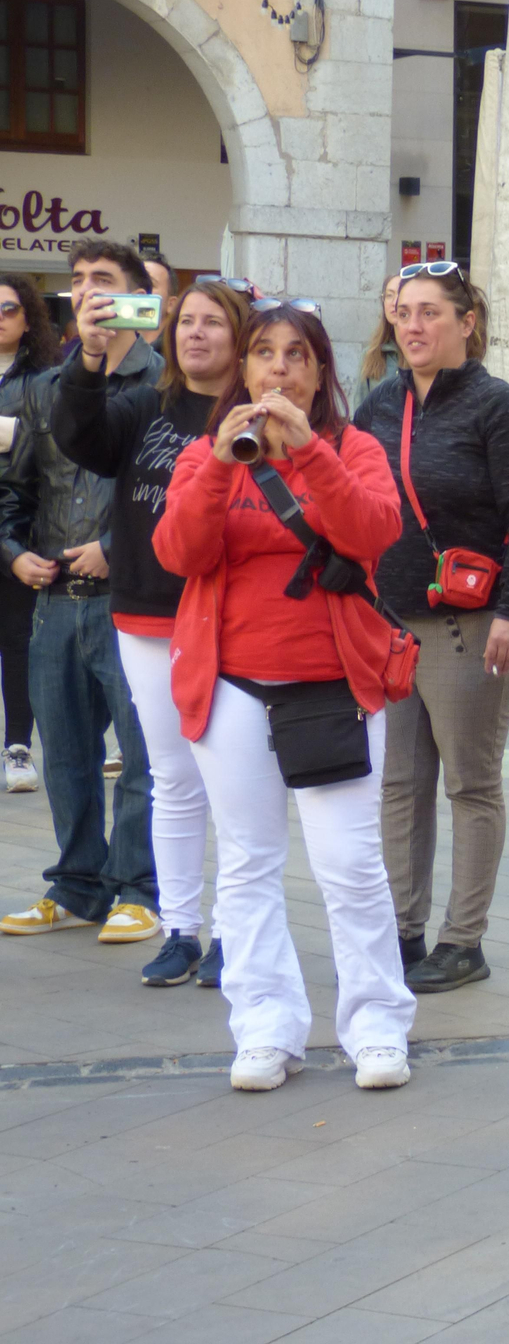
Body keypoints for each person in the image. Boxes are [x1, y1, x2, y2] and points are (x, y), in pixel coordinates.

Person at [153, 302, 417, 1092]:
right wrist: (221, 466)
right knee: (247, 864)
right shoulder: (207, 451)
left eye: (296, 355)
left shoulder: (354, 445)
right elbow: (179, 551)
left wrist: (311, 457)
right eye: (264, 354)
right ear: (243, 371)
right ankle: (264, 1026)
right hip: (231, 685)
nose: (278, 369)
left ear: (319, 372)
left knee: (350, 866)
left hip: (330, 686)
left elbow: (374, 533)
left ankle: (376, 1028)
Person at [354, 262, 509, 992]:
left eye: (430, 313)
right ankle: (403, 930)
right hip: (391, 624)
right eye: (404, 313)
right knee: (400, 783)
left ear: (466, 323)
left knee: (470, 784)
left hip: (471, 625)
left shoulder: (500, 408)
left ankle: (463, 940)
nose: (414, 326)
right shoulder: (381, 404)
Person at [53, 277, 249, 989]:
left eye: (212, 324)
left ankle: (235, 931)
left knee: (232, 784)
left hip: (230, 617)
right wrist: (89, 358)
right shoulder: (146, 405)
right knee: (171, 777)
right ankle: (180, 930)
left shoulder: (253, 413)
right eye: (185, 322)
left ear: (239, 337)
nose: (195, 334)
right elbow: (82, 439)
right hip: (146, 614)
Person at [0, 242, 161, 945]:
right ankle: (75, 884)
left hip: (133, 600)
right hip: (54, 602)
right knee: (63, 753)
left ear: (134, 298)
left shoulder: (166, 384)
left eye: (104, 281)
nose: (89, 292)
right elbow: (13, 491)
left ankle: (137, 888)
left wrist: (117, 547)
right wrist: (13, 556)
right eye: (78, 282)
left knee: (140, 754)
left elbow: (183, 497)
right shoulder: (44, 386)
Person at [0, 275, 61, 794]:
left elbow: (44, 452)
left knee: (18, 639)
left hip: (18, 522)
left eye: (8, 309)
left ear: (27, 319)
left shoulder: (44, 378)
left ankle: (17, 748)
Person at [358, 273, 402, 390]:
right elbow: (360, 405)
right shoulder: (370, 355)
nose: (395, 302)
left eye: (401, 294)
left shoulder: (421, 353)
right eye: (389, 295)